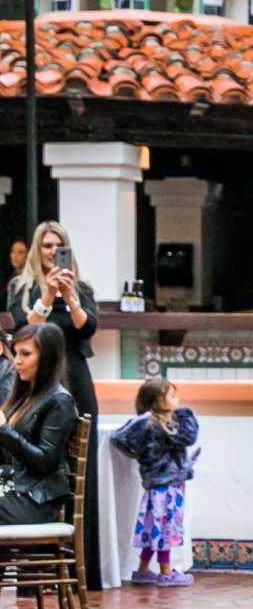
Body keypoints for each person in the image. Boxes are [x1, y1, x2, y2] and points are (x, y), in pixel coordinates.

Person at [12, 222, 101, 586]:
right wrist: (46, 297)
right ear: (37, 249)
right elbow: (23, 330)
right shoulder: (23, 288)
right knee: (32, 464)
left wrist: (71, 299)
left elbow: (87, 328)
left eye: (58, 245)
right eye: (46, 246)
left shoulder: (81, 287)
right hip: (35, 385)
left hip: (75, 381)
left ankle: (82, 569)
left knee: (81, 473)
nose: (52, 252)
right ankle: (37, 570)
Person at [111, 376, 201, 587]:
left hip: (160, 484)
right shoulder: (161, 425)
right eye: (172, 395)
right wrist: (185, 413)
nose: (177, 399)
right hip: (166, 486)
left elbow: (119, 438)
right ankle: (166, 572)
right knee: (165, 529)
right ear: (157, 401)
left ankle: (142, 570)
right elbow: (190, 437)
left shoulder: (154, 423)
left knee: (155, 528)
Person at [0, 322, 78, 531]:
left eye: (25, 354)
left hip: (34, 500)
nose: (16, 361)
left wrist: (3, 429)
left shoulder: (59, 400)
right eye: (15, 353)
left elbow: (46, 461)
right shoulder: (24, 396)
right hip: (11, 487)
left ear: (47, 357)